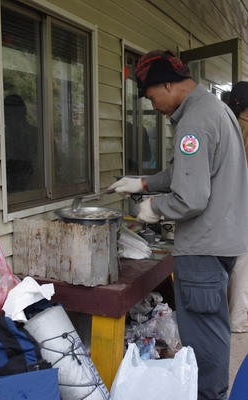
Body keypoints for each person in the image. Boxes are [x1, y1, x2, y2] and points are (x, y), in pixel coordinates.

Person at [108, 50, 248, 400]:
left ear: (166, 84)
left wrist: (152, 209)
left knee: (203, 335)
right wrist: (143, 184)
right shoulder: (215, 109)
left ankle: (208, 395)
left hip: (202, 247)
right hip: (222, 240)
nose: (152, 105)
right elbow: (189, 170)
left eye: (150, 95)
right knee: (211, 327)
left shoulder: (195, 121)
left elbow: (191, 198)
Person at [227, 81, 248, 333]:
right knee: (243, 263)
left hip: (232, 202)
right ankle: (237, 319)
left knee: (238, 261)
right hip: (244, 201)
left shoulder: (231, 127)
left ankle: (236, 314)